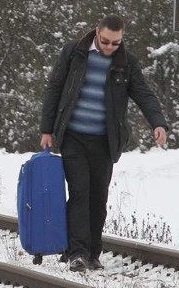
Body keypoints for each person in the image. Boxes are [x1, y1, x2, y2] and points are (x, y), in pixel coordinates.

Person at [40, 14, 169, 273]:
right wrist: (47, 129)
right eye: (106, 41)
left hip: (104, 141)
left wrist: (158, 123)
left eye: (116, 43)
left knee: (98, 197)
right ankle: (76, 253)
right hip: (73, 136)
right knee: (79, 191)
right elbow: (54, 88)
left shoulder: (127, 64)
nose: (110, 47)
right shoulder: (73, 53)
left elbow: (144, 94)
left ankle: (93, 253)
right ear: (97, 32)